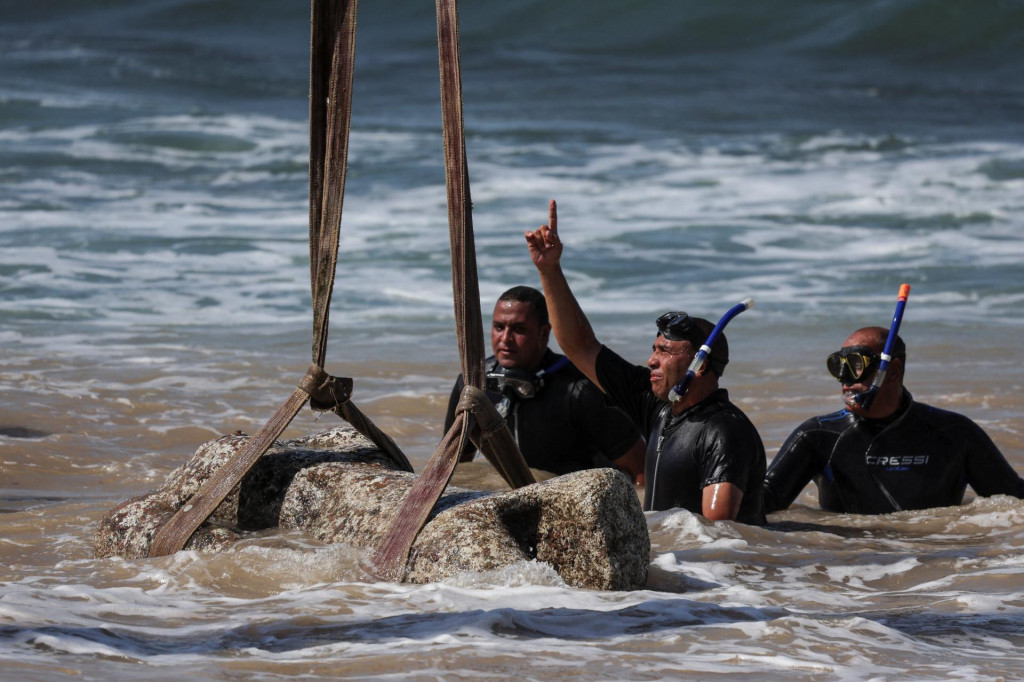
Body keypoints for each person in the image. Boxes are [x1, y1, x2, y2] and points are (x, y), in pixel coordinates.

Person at [524, 200, 766, 523]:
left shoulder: (724, 432)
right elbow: (580, 347)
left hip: (711, 572)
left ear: (701, 365)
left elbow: (716, 534)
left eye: (665, 351)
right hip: (673, 564)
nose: (652, 360)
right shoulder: (658, 407)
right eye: (654, 349)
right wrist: (549, 271)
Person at [764, 326, 1024, 514]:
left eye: (856, 367)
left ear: (894, 370)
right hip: (845, 570)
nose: (846, 382)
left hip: (940, 566)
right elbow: (761, 503)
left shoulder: (955, 433)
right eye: (838, 368)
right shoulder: (817, 436)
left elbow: (1015, 503)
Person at [443, 285, 646, 482]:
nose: (505, 338)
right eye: (499, 327)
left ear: (544, 333)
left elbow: (639, 470)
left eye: (519, 329)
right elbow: (454, 465)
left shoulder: (581, 389)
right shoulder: (473, 384)